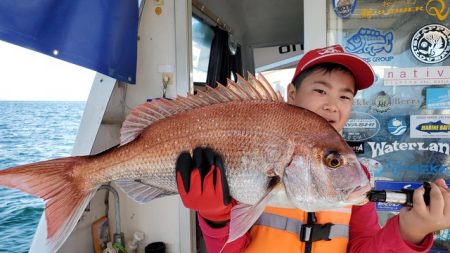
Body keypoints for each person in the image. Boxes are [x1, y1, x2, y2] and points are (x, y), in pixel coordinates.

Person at [175, 44, 450, 252]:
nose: (333, 104)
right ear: (292, 95)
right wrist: (215, 218)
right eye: (321, 91)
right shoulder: (254, 158)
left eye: (345, 96)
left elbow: (363, 246)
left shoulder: (357, 176)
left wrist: (410, 232)